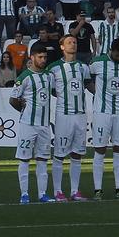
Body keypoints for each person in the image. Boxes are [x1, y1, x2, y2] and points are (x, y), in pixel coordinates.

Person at [48, 34, 93, 201]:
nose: (73, 45)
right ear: (62, 47)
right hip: (64, 115)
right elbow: (51, 90)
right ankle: (58, 191)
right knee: (59, 153)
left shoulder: (83, 67)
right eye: (69, 42)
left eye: (74, 42)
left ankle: (75, 191)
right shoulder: (54, 68)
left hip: (81, 114)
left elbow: (88, 85)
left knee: (77, 154)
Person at [89, 37, 119, 198]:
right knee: (100, 149)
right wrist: (97, 93)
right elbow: (88, 79)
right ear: (111, 50)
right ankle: (98, 190)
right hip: (102, 112)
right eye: (116, 54)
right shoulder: (97, 63)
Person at [9, 45, 55, 204]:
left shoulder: (49, 76)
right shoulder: (25, 77)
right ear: (32, 57)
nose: (43, 60)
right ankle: (24, 194)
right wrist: (24, 110)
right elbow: (13, 99)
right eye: (40, 57)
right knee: (24, 159)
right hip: (28, 124)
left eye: (45, 57)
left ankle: (42, 194)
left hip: (44, 125)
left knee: (42, 159)